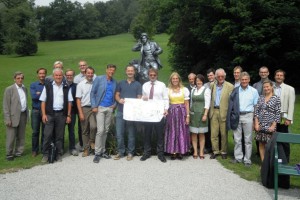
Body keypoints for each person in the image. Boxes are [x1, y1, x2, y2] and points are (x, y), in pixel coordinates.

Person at [40, 68, 73, 163]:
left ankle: (58, 154)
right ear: (53, 76)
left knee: (59, 136)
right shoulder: (48, 86)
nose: (58, 77)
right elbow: (43, 101)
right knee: (47, 135)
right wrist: (44, 114)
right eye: (56, 75)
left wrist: (68, 115)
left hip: (61, 114)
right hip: (50, 114)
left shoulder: (66, 87)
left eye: (60, 75)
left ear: (63, 76)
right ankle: (45, 154)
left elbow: (69, 102)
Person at [227, 72, 259, 167]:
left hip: (249, 115)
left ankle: (247, 160)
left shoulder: (254, 91)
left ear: (249, 80)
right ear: (240, 80)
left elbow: (256, 106)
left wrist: (255, 120)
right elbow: (231, 105)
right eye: (242, 79)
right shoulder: (235, 90)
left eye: (246, 79)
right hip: (237, 116)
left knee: (248, 139)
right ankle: (238, 157)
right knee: (237, 139)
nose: (244, 81)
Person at [114, 65, 142, 161]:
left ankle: (130, 152)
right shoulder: (121, 83)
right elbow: (117, 95)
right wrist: (119, 100)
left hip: (131, 113)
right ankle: (121, 151)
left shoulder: (138, 84)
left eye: (132, 71)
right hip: (121, 111)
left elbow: (139, 97)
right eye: (128, 70)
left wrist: (136, 102)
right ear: (126, 72)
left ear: (134, 72)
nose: (130, 72)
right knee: (119, 134)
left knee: (131, 134)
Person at [140, 68, 169, 163]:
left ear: (157, 75)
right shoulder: (145, 85)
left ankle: (160, 153)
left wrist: (166, 109)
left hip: (159, 113)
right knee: (147, 134)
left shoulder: (162, 85)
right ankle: (146, 153)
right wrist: (142, 98)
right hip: (148, 113)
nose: (152, 76)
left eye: (154, 75)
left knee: (159, 135)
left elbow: (165, 98)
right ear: (148, 75)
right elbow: (143, 99)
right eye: (151, 75)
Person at [91, 64, 117, 163]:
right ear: (106, 70)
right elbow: (93, 93)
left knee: (106, 130)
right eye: (110, 70)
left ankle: (103, 151)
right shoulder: (99, 79)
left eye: (113, 70)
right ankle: (97, 153)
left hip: (109, 108)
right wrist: (94, 106)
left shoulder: (114, 82)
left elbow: (115, 94)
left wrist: (114, 104)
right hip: (100, 108)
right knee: (100, 130)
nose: (111, 71)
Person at [165, 72, 190, 160]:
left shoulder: (184, 89)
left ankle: (180, 151)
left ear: (179, 79)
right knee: (172, 131)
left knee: (181, 131)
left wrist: (187, 116)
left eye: (176, 79)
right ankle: (173, 151)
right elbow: (166, 102)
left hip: (182, 112)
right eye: (173, 79)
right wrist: (165, 110)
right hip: (171, 112)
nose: (175, 80)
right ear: (171, 80)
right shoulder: (167, 90)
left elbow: (186, 104)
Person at [3, 71, 28, 161]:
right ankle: (9, 153)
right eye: (18, 78)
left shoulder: (24, 88)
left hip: (23, 114)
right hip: (13, 116)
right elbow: (6, 105)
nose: (20, 80)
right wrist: (7, 118)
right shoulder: (9, 89)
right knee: (11, 136)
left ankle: (19, 151)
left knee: (21, 135)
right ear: (14, 79)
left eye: (21, 78)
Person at [209, 68, 234, 159]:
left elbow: (232, 101)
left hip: (224, 111)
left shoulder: (230, 86)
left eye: (222, 76)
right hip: (214, 111)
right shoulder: (212, 85)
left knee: (223, 134)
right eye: (218, 76)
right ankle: (215, 151)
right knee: (214, 134)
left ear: (225, 76)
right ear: (215, 76)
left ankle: (224, 151)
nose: (220, 78)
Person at [254, 80, 281, 161]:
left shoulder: (276, 98)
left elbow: (278, 113)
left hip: (270, 125)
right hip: (260, 124)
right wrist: (256, 123)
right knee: (261, 144)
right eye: (264, 87)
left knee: (269, 145)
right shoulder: (261, 97)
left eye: (267, 86)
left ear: (271, 87)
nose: (266, 88)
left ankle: (269, 162)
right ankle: (263, 163)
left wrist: (273, 125)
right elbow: (256, 111)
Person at [76, 66, 97, 157]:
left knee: (94, 126)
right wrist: (80, 112)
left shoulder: (96, 83)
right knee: (85, 130)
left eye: (92, 73)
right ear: (85, 73)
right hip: (84, 108)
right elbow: (78, 99)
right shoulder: (80, 84)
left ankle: (92, 141)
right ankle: (86, 149)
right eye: (88, 73)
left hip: (94, 108)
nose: (90, 75)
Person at [189, 74, 211, 159]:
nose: (198, 82)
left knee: (201, 134)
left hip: (202, 114)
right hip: (193, 114)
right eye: (197, 80)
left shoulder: (206, 90)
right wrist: (190, 113)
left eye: (200, 80)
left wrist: (205, 114)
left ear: (202, 81)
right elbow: (191, 102)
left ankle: (201, 151)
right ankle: (195, 151)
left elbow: (207, 103)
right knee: (194, 134)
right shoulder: (193, 90)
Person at [30, 68, 47, 157]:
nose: (42, 75)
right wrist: (43, 94)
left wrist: (39, 93)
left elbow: (50, 96)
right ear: (37, 75)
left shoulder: (48, 84)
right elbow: (34, 97)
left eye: (43, 73)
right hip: (36, 111)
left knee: (45, 131)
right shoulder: (33, 85)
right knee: (35, 131)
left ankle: (44, 149)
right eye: (40, 73)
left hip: (45, 111)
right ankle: (34, 150)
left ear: (45, 74)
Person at [65, 69, 79, 156]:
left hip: (73, 111)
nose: (69, 77)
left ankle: (72, 147)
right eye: (68, 75)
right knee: (60, 130)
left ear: (73, 76)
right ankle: (60, 148)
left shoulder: (76, 86)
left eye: (71, 75)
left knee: (71, 130)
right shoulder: (62, 86)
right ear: (65, 76)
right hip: (62, 112)